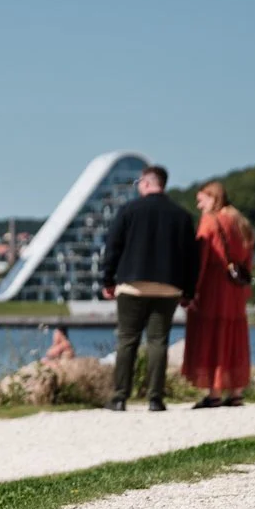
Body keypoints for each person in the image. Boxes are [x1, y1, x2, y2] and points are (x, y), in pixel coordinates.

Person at [99, 165, 199, 412]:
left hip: (132, 285)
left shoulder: (129, 211)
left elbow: (113, 247)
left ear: (145, 183)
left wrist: (108, 280)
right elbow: (191, 257)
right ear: (163, 184)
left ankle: (120, 396)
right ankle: (155, 399)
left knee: (127, 340)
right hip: (168, 287)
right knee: (158, 341)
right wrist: (188, 291)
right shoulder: (181, 215)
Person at [183, 181, 255, 407]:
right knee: (234, 337)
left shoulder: (210, 221)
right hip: (235, 289)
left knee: (213, 336)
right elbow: (249, 259)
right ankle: (236, 392)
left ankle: (214, 392)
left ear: (214, 198)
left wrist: (192, 289)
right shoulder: (241, 222)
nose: (198, 205)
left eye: (201, 199)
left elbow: (202, 259)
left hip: (213, 288)